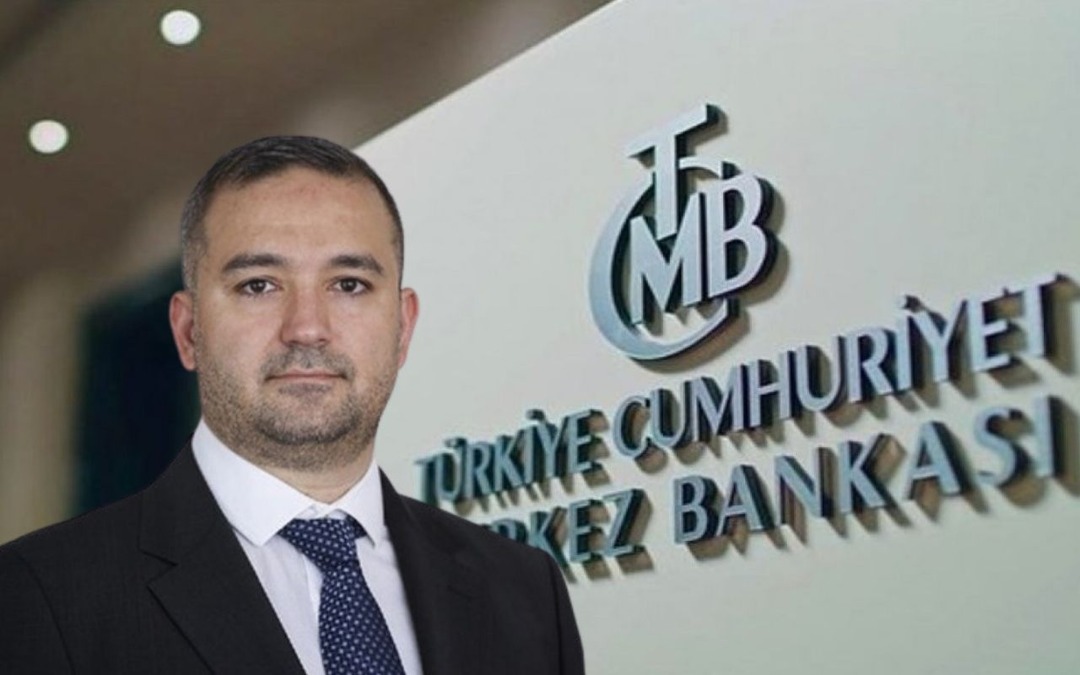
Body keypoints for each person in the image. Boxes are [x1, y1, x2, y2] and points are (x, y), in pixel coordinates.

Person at [0, 136, 585, 674]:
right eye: (258, 285)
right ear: (188, 331)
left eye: (349, 284)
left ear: (403, 327)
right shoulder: (40, 594)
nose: (307, 328)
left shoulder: (526, 590)